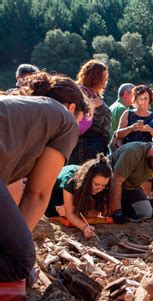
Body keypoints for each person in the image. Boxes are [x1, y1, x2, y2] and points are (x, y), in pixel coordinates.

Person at [0, 71, 87, 282]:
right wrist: (17, 252)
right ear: (72, 108)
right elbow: (37, 194)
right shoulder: (66, 120)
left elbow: (10, 199)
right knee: (20, 262)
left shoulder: (17, 111)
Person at [109, 140, 153, 221]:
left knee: (146, 213)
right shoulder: (133, 152)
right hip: (108, 185)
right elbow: (116, 181)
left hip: (131, 187)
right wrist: (117, 212)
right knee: (109, 213)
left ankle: (125, 209)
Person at [45, 154, 112, 239]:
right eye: (96, 184)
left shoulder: (102, 185)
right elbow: (70, 215)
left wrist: (75, 210)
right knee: (61, 211)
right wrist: (85, 227)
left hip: (77, 195)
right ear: (87, 179)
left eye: (104, 185)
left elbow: (103, 211)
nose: (100, 189)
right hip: (53, 194)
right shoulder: (71, 180)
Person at [70, 59, 111, 164]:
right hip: (85, 145)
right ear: (95, 77)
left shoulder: (94, 94)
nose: (106, 79)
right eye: (103, 76)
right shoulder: (83, 92)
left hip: (95, 144)